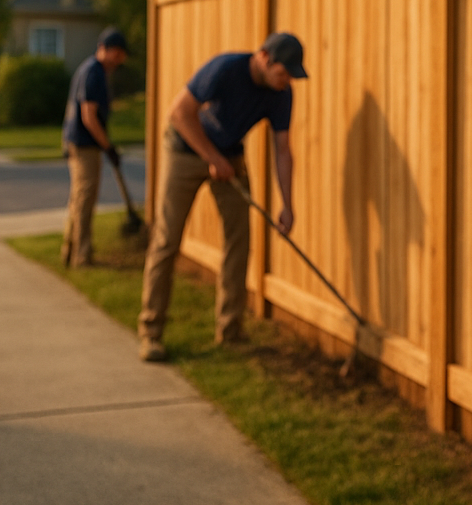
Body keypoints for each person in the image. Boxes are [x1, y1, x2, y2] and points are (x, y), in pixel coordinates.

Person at [137, 31, 307, 362]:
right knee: (167, 240)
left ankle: (230, 330)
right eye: (283, 72)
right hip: (185, 148)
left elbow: (283, 150)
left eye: (291, 76)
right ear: (264, 57)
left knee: (238, 241)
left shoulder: (281, 94)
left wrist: (287, 205)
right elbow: (179, 113)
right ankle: (151, 332)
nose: (286, 81)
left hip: (229, 155)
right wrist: (212, 158)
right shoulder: (224, 69)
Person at [59, 26, 128, 267]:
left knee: (78, 198)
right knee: (84, 200)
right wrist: (108, 146)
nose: (119, 59)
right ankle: (82, 255)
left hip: (80, 142)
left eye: (121, 55)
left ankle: (70, 250)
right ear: (103, 49)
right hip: (84, 145)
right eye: (116, 53)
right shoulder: (94, 72)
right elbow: (89, 116)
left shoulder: (90, 69)